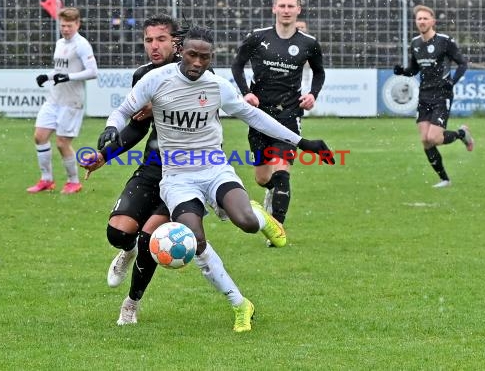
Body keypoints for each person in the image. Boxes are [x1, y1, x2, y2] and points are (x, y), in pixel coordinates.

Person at [98, 26, 334, 332]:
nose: (198, 62)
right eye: (193, 55)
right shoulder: (156, 80)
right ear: (181, 50)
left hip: (214, 169)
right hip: (177, 179)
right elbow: (124, 109)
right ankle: (240, 304)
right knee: (195, 241)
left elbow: (254, 116)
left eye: (205, 57)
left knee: (246, 223)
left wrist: (301, 142)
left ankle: (259, 218)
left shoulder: (217, 85)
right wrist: (111, 127)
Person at [81, 14, 182, 326]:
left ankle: (131, 304)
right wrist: (104, 154)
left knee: (150, 238)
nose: (154, 45)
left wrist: (165, 104)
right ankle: (126, 251)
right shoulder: (143, 75)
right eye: (149, 40)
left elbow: (206, 113)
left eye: (161, 39)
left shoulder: (195, 69)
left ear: (176, 42)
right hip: (153, 167)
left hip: (186, 172)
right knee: (118, 232)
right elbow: (137, 129)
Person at [231, 0, 326, 227]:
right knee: (263, 178)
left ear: (298, 10)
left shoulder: (308, 43)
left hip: (289, 114)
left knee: (282, 171)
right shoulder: (258, 37)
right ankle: (270, 191)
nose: (286, 10)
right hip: (259, 114)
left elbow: (319, 72)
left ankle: (277, 227)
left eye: (290, 6)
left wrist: (313, 95)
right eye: (281, 5)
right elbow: (237, 65)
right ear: (274, 8)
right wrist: (246, 93)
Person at [393, 4, 473, 188]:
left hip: (442, 94)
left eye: (425, 18)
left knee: (434, 138)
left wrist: (452, 82)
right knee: (425, 140)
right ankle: (445, 179)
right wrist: (402, 72)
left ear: (432, 21)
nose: (421, 21)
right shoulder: (415, 43)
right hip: (424, 95)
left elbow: (462, 64)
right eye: (419, 19)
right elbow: (414, 69)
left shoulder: (444, 41)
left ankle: (462, 134)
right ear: (416, 22)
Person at [28, 7, 98, 194]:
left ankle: (73, 182)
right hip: (54, 98)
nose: (65, 29)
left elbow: (92, 72)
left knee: (62, 143)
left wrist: (69, 77)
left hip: (72, 101)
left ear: (77, 24)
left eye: (69, 26)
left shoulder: (82, 45)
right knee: (39, 136)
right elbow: (60, 71)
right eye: (63, 25)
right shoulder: (60, 43)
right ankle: (46, 180)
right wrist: (48, 76)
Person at [295, 20, 313, 95]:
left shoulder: (311, 41)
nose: (300, 29)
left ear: (306, 29)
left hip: (306, 71)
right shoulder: (287, 40)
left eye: (302, 27)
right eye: (298, 27)